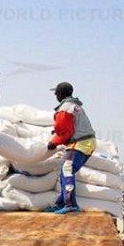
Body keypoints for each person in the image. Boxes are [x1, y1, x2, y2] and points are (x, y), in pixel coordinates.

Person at [45, 82, 96, 214]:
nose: (55, 94)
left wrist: (54, 142)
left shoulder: (65, 108)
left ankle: (70, 204)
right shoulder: (75, 106)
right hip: (86, 142)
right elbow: (69, 127)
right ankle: (62, 202)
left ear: (61, 93)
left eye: (56, 92)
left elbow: (65, 132)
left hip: (80, 143)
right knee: (65, 170)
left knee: (67, 169)